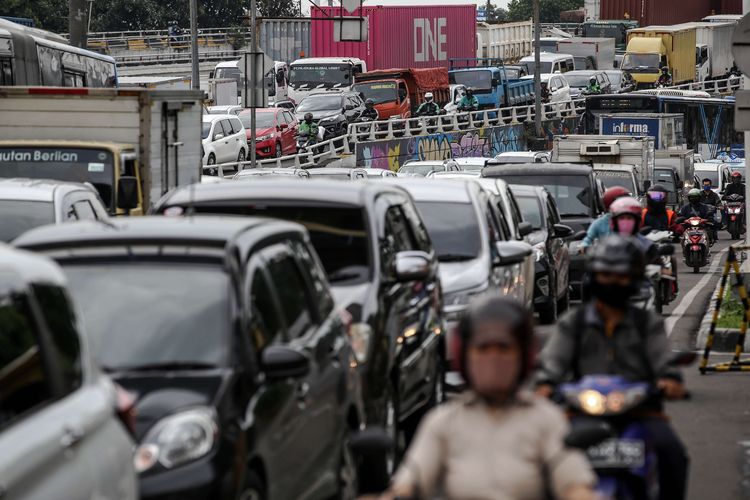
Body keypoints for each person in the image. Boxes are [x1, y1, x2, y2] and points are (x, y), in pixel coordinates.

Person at [387, 297, 597, 500]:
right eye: (483, 349)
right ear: (464, 357)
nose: (493, 359)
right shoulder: (443, 422)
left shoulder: (546, 419)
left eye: (504, 348)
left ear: (523, 356)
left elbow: (573, 484)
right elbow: (409, 484)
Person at [536, 235, 689, 500]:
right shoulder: (574, 322)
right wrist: (545, 384)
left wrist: (670, 379)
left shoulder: (646, 323)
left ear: (633, 278)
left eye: (621, 275)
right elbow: (553, 361)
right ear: (594, 277)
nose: (613, 282)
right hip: (581, 414)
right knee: (543, 457)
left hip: (640, 413)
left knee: (673, 454)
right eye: (606, 274)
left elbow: (663, 359)